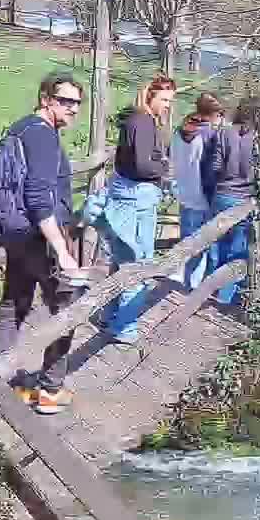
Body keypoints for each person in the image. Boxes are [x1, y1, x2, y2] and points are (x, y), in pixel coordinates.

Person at [0, 72, 86, 416]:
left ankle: (5, 383)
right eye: (65, 101)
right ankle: (50, 390)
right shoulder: (43, 137)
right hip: (39, 236)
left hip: (14, 233)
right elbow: (38, 198)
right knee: (69, 308)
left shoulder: (21, 127)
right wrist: (62, 251)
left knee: (13, 303)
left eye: (76, 102)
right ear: (46, 99)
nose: (72, 108)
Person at [97, 75, 177, 342]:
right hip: (136, 198)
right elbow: (144, 165)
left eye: (170, 101)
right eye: (164, 99)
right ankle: (125, 328)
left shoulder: (136, 119)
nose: (167, 105)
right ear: (150, 96)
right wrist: (164, 167)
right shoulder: (143, 122)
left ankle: (109, 315)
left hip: (126, 194)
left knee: (121, 260)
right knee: (137, 263)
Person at [201, 97, 260, 305]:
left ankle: (209, 292)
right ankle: (226, 298)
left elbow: (214, 167)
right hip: (245, 199)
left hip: (222, 195)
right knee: (237, 250)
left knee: (216, 246)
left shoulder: (224, 132)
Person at [172, 93, 223, 289]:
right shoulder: (209, 135)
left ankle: (186, 286)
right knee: (204, 247)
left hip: (184, 194)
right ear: (212, 115)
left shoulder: (180, 130)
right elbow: (211, 170)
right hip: (202, 197)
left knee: (188, 245)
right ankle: (194, 293)